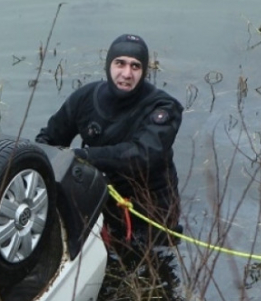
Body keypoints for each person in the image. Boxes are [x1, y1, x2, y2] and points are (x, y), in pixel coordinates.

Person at [36, 33, 183, 247]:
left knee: (151, 266)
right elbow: (48, 140)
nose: (126, 73)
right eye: (120, 64)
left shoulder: (163, 108)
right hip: (101, 196)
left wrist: (85, 156)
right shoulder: (85, 98)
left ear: (144, 72)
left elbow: (144, 154)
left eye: (135, 66)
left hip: (151, 209)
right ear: (108, 65)